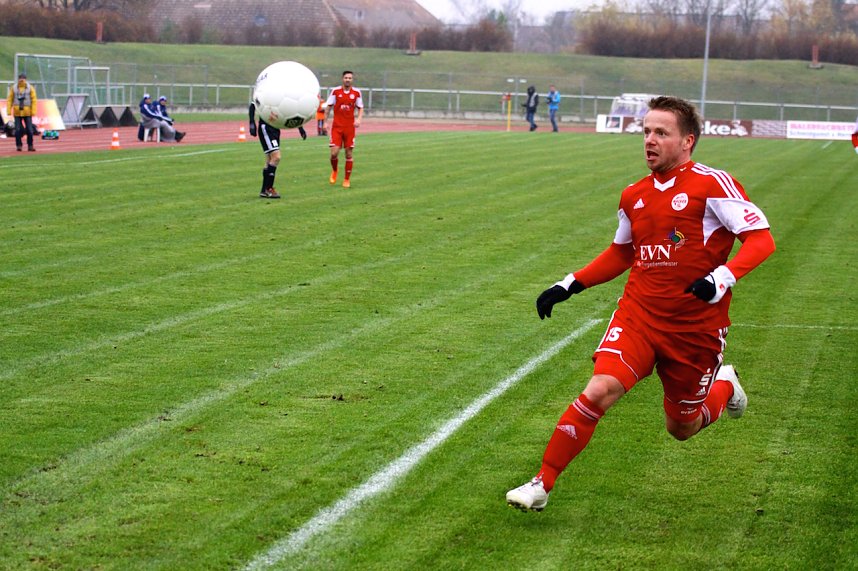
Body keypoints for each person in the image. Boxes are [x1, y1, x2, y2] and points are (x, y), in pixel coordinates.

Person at [506, 95, 776, 512]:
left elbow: (762, 239)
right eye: (646, 132)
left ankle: (725, 384)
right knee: (599, 389)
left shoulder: (712, 184)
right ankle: (542, 483)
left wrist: (721, 278)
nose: (649, 140)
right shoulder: (633, 195)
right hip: (639, 317)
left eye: (660, 133)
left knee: (682, 427)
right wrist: (569, 284)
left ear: (687, 141)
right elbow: (622, 253)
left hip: (694, 330)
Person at [248, 101, 307, 199]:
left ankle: (264, 190)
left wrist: (300, 128)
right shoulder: (267, 91)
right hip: (266, 128)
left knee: (269, 159)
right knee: (276, 157)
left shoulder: (284, 94)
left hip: (275, 128)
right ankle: (269, 188)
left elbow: (292, 112)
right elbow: (253, 104)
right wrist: (252, 123)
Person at [325, 70, 364, 189]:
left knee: (348, 153)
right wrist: (325, 122)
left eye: (350, 78)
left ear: (352, 80)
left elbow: (360, 107)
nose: (348, 79)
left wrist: (358, 119)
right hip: (337, 127)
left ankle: (346, 179)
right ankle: (335, 170)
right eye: (346, 77)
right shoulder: (335, 91)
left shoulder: (357, 93)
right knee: (334, 153)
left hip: (349, 128)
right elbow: (328, 107)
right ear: (342, 79)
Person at [6, 73, 37, 152]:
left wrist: (33, 111)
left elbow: (34, 100)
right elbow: (10, 99)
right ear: (18, 79)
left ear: (25, 79)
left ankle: (30, 145)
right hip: (17, 112)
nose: (21, 79)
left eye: (23, 78)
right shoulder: (14, 88)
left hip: (27, 112)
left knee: (30, 130)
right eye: (20, 78)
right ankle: (19, 145)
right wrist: (9, 110)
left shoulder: (30, 88)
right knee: (17, 130)